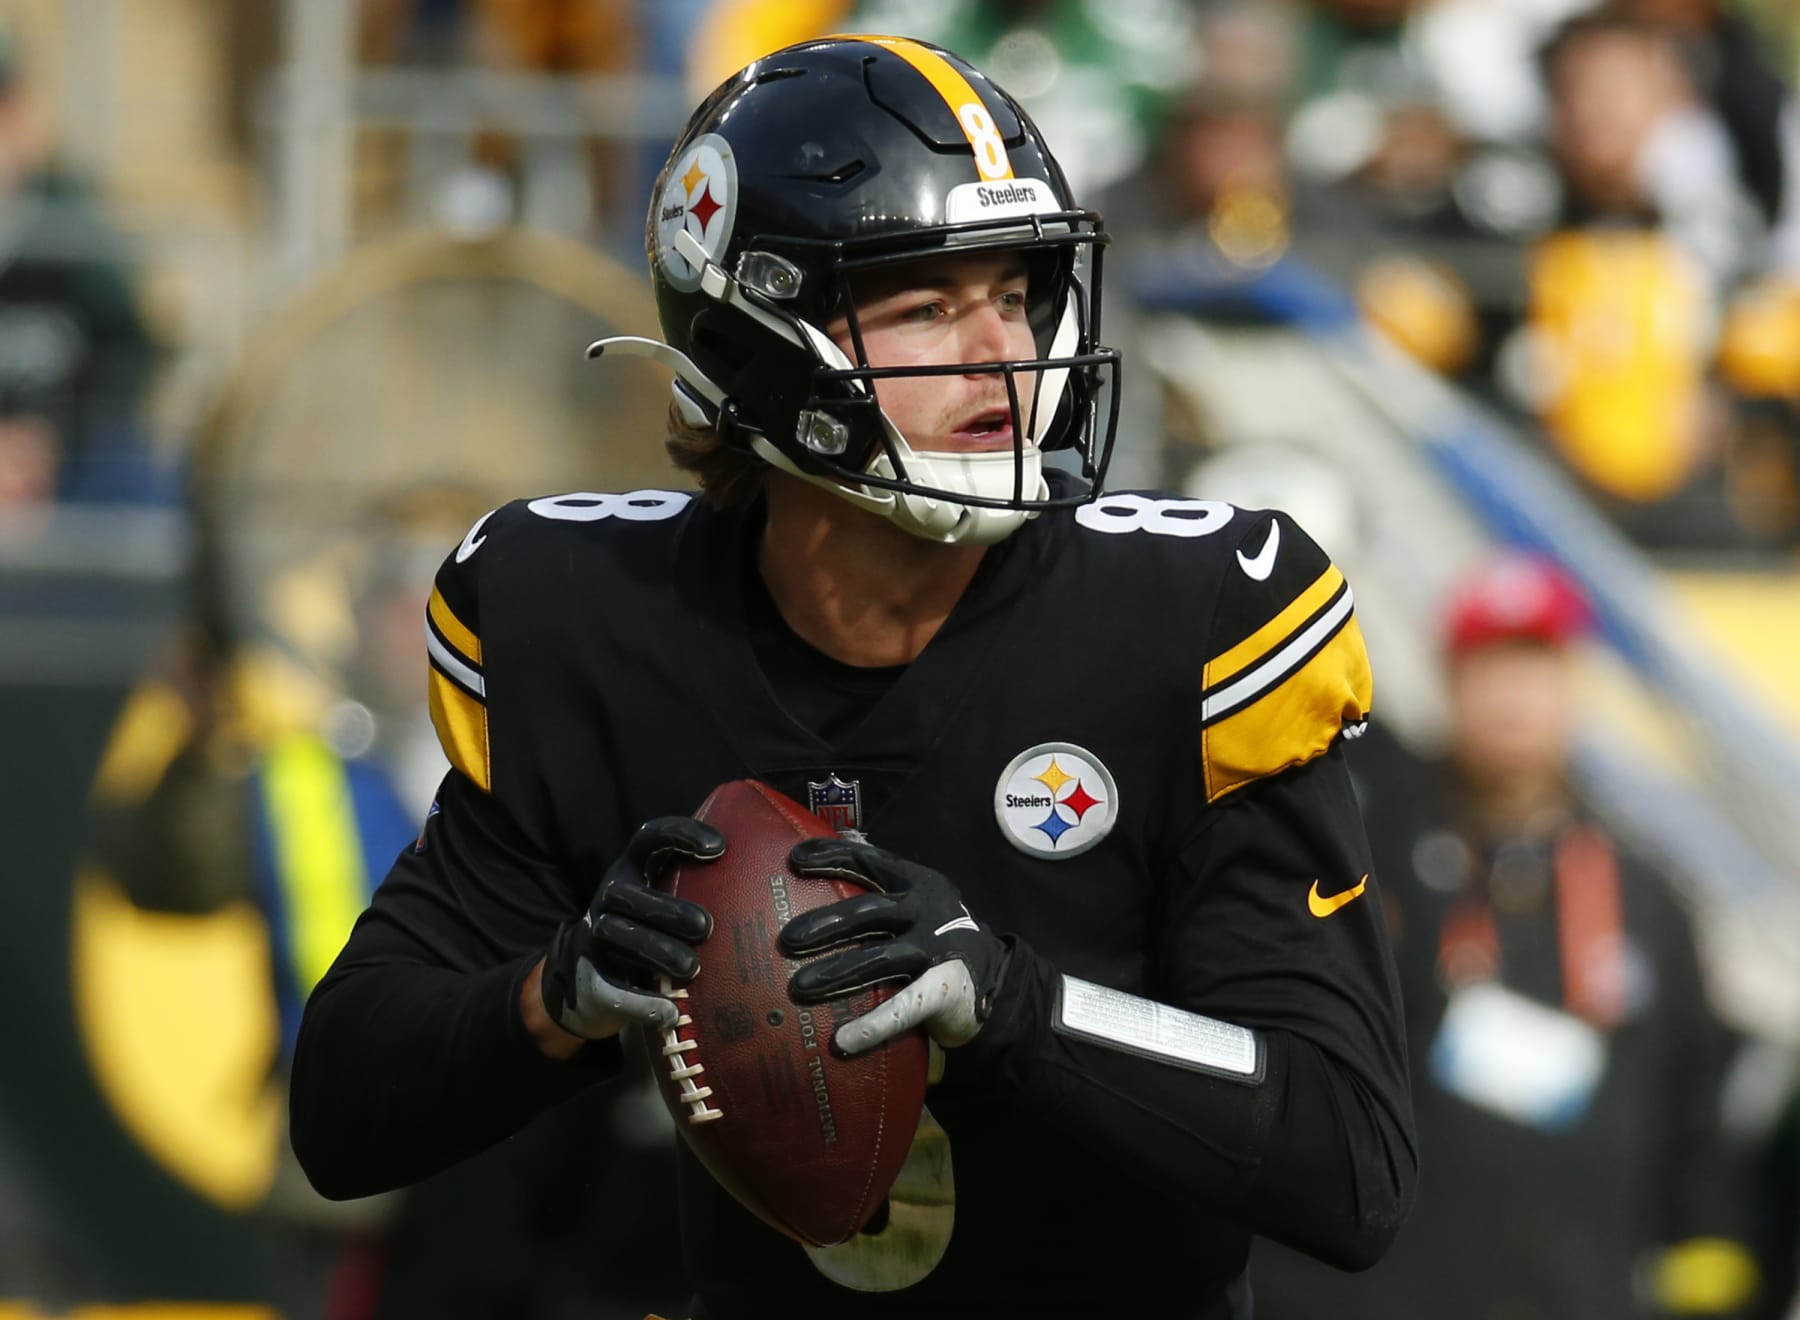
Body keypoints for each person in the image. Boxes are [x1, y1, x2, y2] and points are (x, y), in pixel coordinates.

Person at [290, 34, 1416, 1317]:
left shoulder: (1194, 625)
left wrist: (1014, 1003)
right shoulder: (595, 620)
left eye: (1017, 290)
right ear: (756, 338)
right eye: (929, 304)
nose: (1002, 352)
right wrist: (553, 1000)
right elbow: (340, 1108)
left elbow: (1352, 1161)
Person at [1253, 553, 1756, 1320]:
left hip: (1569, 1290)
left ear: (1573, 686)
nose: (1514, 695)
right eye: (1490, 666)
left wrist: (1706, 1260)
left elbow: (1691, 1116)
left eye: (1536, 666)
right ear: (1449, 680)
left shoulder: (1646, 898)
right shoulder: (1356, 850)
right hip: (1358, 1290)